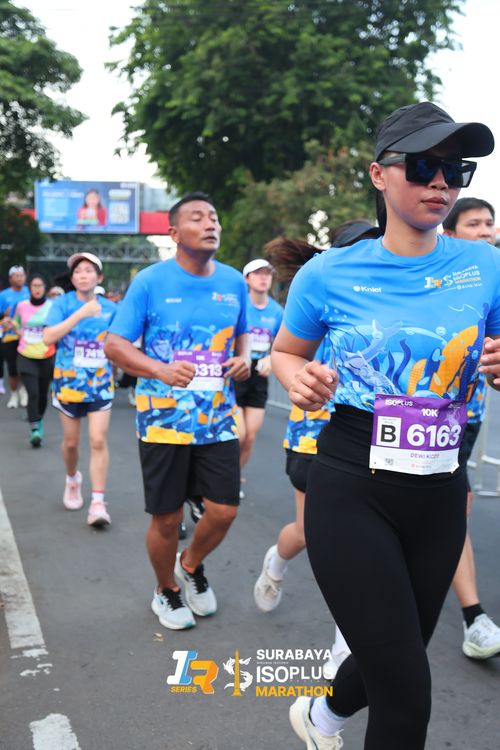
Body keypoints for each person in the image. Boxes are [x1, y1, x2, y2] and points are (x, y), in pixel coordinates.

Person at [271, 102, 500, 749]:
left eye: (456, 170)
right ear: (379, 174)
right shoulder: (328, 273)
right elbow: (286, 351)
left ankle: (320, 716)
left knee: (392, 658)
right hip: (353, 483)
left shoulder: (485, 265)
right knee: (407, 689)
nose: (441, 183)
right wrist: (297, 377)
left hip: (440, 489)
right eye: (424, 166)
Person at [104, 192, 250, 631]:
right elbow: (115, 344)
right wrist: (160, 370)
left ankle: (189, 565)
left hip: (217, 418)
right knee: (167, 517)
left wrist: (244, 359)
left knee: (224, 510)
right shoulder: (150, 281)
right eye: (197, 218)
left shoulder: (233, 282)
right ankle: (165, 589)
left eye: (214, 217)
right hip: (163, 420)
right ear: (174, 233)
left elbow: (242, 334)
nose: (210, 224)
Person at [253, 223, 379, 681]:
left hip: (375, 443)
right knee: (309, 533)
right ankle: (277, 560)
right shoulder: (316, 296)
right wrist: (282, 367)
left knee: (361, 546)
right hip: (313, 440)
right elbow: (282, 351)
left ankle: (344, 645)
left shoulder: (388, 306)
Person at [441, 196, 500, 659]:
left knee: (452, 514)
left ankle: (473, 617)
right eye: (474, 224)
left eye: (489, 224)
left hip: (466, 421)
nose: (485, 232)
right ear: (450, 233)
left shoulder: (492, 283)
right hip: (409, 419)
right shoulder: (433, 281)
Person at [43, 252, 116, 527]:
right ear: (72, 278)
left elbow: (120, 341)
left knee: (97, 440)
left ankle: (98, 502)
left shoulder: (111, 309)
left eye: (88, 270)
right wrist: (80, 314)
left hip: (100, 384)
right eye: (78, 271)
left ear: (99, 277)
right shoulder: (62, 304)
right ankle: (73, 478)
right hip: (69, 384)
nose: (83, 275)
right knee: (71, 443)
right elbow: (48, 337)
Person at [235, 259, 283, 496]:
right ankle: (224, 478)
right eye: (257, 274)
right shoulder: (239, 305)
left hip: (259, 375)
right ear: (247, 279)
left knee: (250, 438)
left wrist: (272, 358)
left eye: (267, 274)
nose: (263, 278)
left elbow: (283, 346)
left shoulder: (277, 312)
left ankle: (234, 477)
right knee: (239, 434)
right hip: (237, 372)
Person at [11, 274, 56, 447]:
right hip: (25, 354)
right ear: (29, 288)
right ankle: (35, 429)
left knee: (43, 394)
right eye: (34, 286)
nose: (37, 289)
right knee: (33, 392)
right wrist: (18, 332)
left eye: (40, 285)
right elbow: (16, 322)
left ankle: (39, 419)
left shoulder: (52, 307)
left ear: (45, 288)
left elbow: (58, 327)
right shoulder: (22, 306)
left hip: (46, 355)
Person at [0, 265, 29, 408]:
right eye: (16, 276)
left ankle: (23, 390)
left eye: (21, 275)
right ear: (10, 278)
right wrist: (3, 315)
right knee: (12, 368)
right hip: (9, 337)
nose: (19, 278)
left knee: (24, 367)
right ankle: (13, 394)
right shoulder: (3, 295)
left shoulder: (29, 292)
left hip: (26, 336)